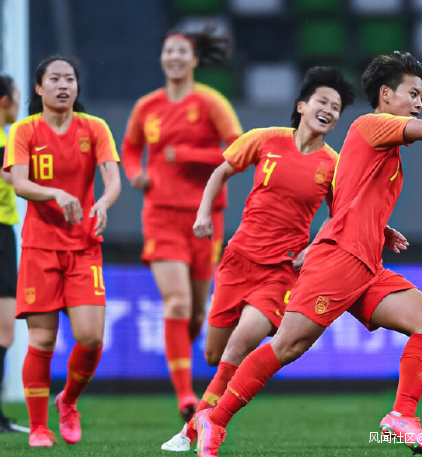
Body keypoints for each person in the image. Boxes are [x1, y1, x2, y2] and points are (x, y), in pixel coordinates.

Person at [192, 51, 422, 457]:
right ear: (386, 94)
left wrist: (378, 227)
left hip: (367, 264)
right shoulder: (371, 124)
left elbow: (349, 195)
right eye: (412, 93)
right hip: (339, 258)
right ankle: (216, 418)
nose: (419, 102)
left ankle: (402, 416)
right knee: (287, 347)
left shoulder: (379, 145)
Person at [122, 26, 243, 422]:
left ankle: (180, 356)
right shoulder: (147, 106)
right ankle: (185, 396)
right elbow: (131, 146)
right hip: (160, 215)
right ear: (162, 58)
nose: (174, 57)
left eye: (181, 51)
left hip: (205, 217)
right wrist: (135, 173)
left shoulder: (211, 102)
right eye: (168, 51)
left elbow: (239, 149)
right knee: (176, 302)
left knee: (194, 314)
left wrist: (190, 154)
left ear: (193, 59)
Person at [3, 56, 121, 447]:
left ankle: (68, 401)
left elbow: (113, 180)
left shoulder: (95, 127)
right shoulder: (24, 130)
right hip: (39, 248)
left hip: (84, 247)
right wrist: (55, 192)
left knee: (91, 338)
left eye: (69, 78)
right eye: (54, 79)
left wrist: (104, 202)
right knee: (42, 341)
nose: (63, 85)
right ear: (39, 88)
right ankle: (39, 427)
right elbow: (20, 183)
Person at [0, 74, 29, 434]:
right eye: (17, 96)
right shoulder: (6, 141)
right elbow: (14, 180)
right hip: (1, 234)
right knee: (4, 332)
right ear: (5, 101)